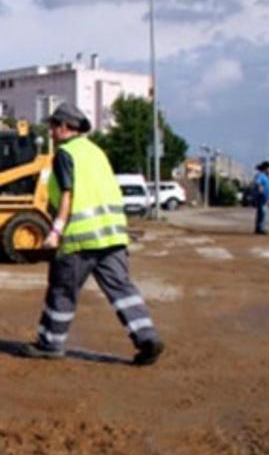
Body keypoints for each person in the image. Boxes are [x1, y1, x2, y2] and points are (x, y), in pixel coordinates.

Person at [20, 102, 165, 366]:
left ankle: (50, 343)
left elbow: (68, 195)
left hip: (79, 239)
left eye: (53, 126)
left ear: (64, 127)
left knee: (62, 292)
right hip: (113, 236)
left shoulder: (66, 154)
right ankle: (147, 337)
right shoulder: (97, 152)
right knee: (122, 289)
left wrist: (55, 231)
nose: (51, 132)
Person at [253, 161, 269, 235]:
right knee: (263, 212)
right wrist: (260, 190)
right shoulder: (261, 175)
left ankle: (259, 228)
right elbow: (258, 183)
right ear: (266, 168)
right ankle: (261, 228)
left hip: (265, 197)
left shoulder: (266, 176)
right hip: (262, 197)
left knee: (262, 212)